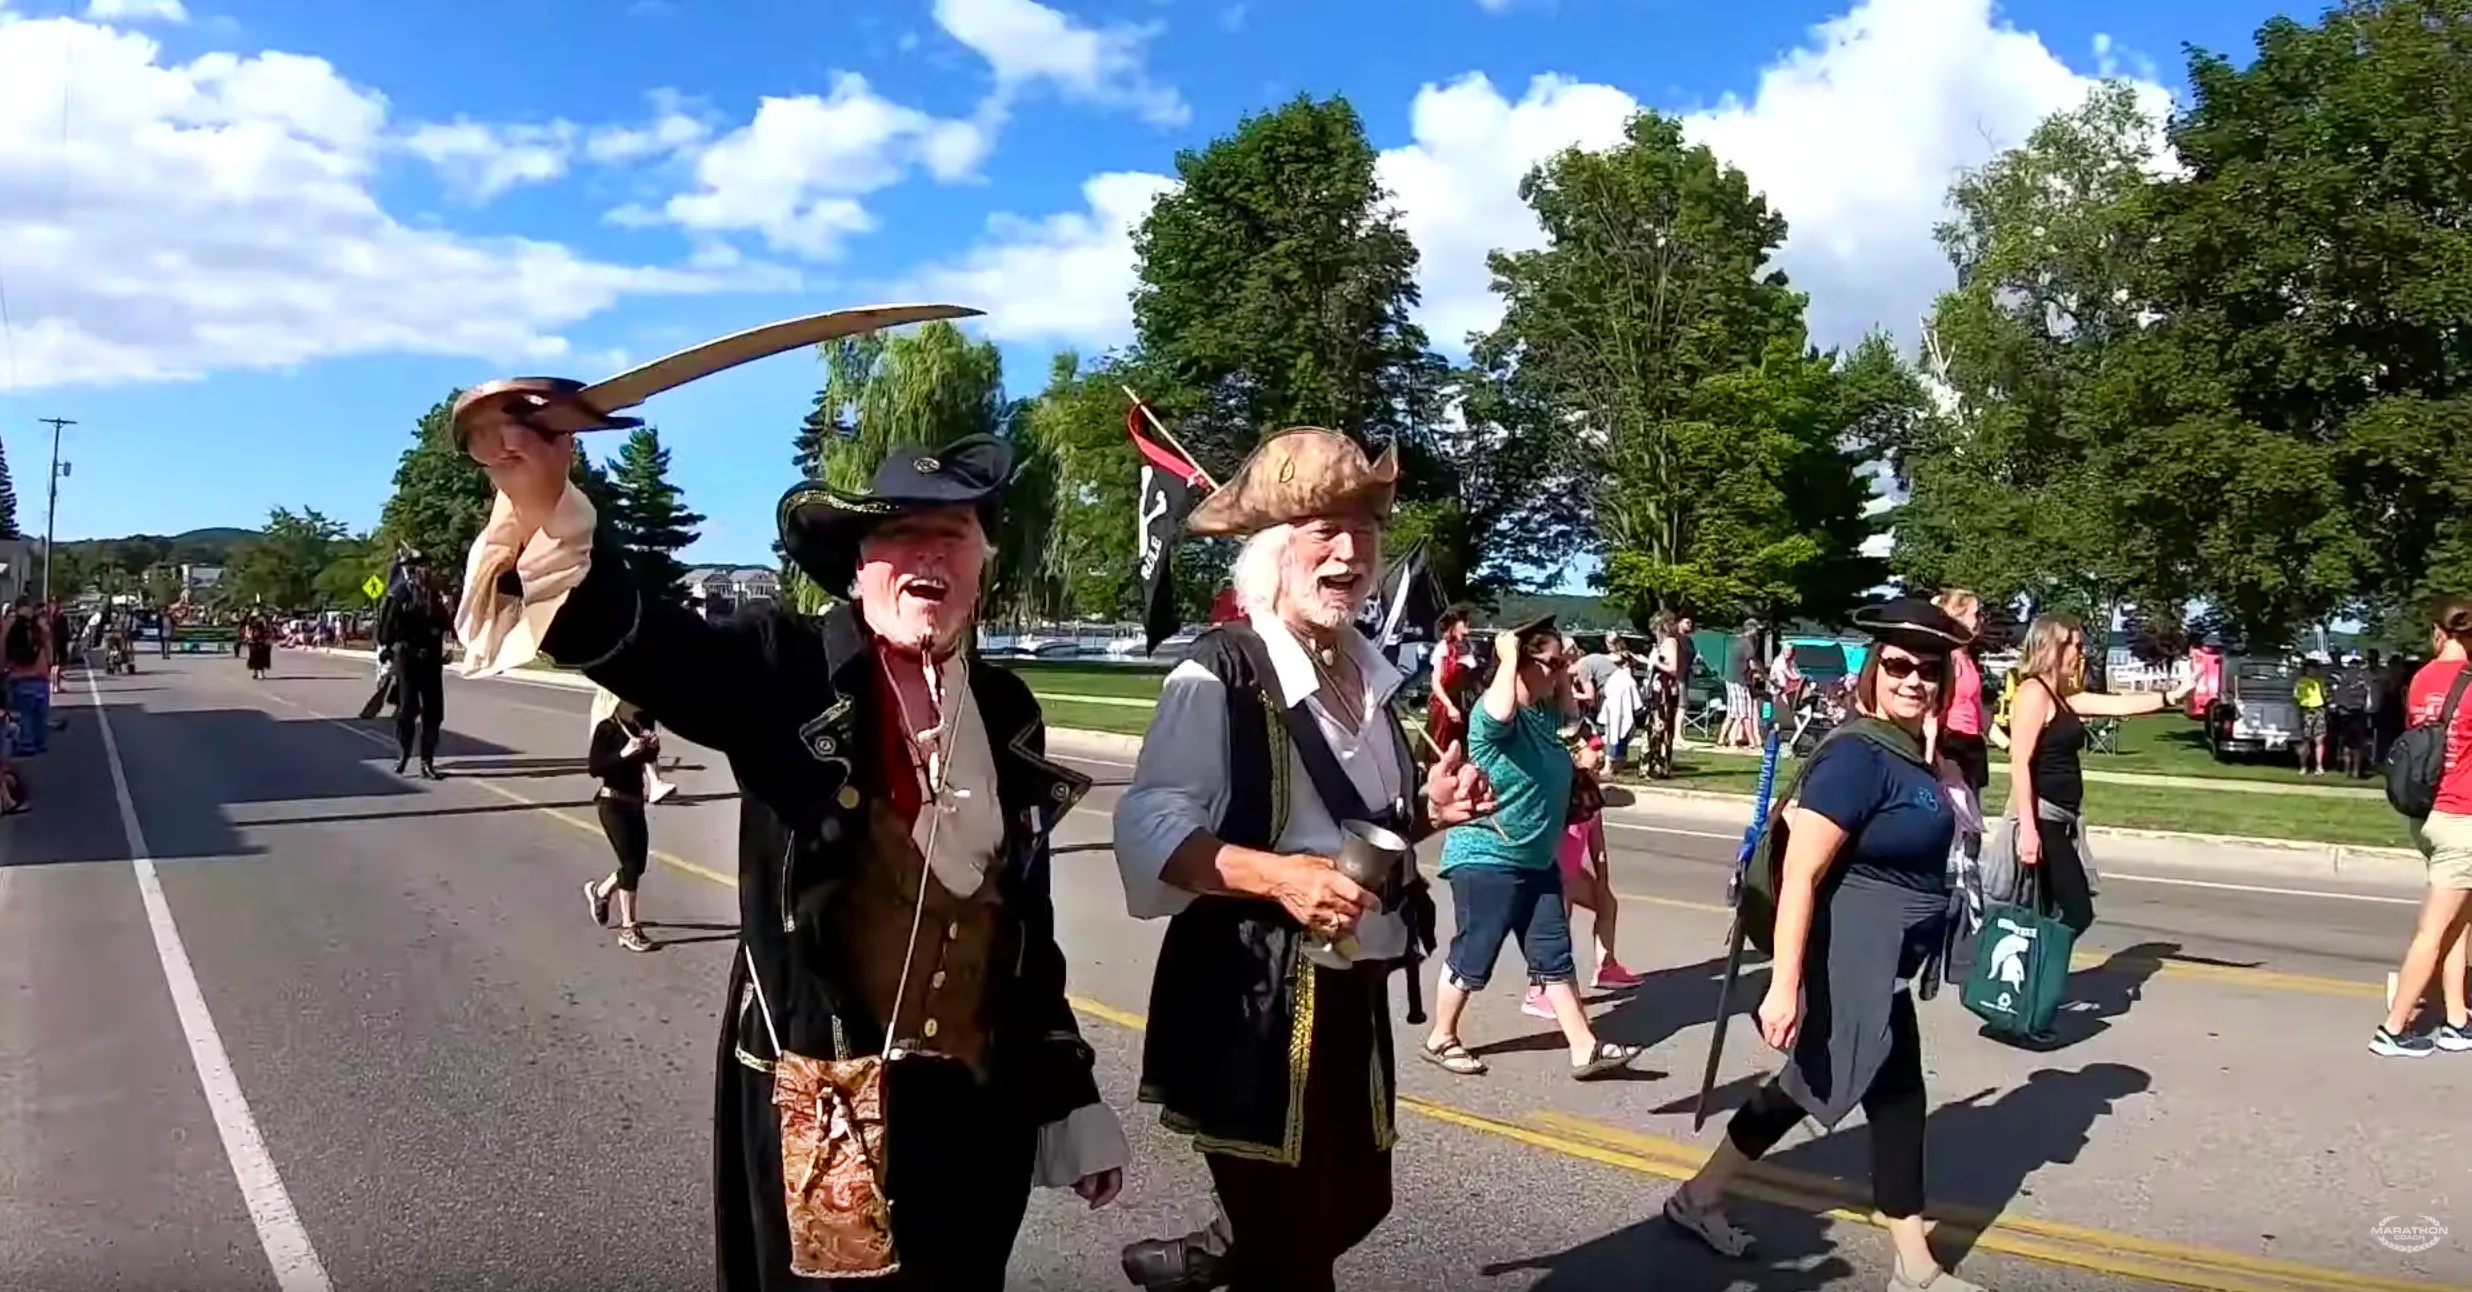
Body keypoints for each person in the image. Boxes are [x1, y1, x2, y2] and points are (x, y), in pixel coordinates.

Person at [455, 377, 1127, 1292]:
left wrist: (1066, 1088)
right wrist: (543, 496)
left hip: (978, 1107)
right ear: (858, 566)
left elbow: (1022, 923)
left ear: (984, 564)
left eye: (955, 534)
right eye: (900, 534)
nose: (929, 552)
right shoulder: (785, 666)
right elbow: (638, 639)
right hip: (827, 1097)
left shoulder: (1008, 712)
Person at [1112, 427, 1493, 1292]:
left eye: (1364, 532)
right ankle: (1242, 1252)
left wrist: (1427, 814)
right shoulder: (1220, 672)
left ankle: (1209, 1257)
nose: (1350, 554)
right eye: (1325, 533)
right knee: (1295, 1246)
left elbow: (1353, 832)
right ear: (1274, 554)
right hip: (1254, 993)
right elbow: (1148, 828)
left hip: (1353, 985)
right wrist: (1280, 878)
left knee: (1359, 1199)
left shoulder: (1369, 674)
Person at [1663, 599, 1988, 1292]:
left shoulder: (1907, 753)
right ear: (1873, 671)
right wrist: (1784, 985)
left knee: (1834, 1088)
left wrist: (1937, 758)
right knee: (1886, 1098)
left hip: (1880, 965)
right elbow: (1802, 874)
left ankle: (1701, 1195)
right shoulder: (1856, 757)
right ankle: (1915, 1268)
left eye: (1929, 670)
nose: (1914, 679)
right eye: (1898, 666)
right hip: (1847, 961)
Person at [1421, 615, 1643, 1081]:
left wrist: (1560, 669)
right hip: (1487, 855)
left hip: (1536, 860)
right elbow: (1500, 710)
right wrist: (1507, 655)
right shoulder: (1494, 716)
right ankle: (1441, 1036)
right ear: (1520, 662)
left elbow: (1572, 717)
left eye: (1564, 663)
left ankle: (1584, 1047)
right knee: (1476, 949)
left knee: (1552, 952)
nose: (1563, 671)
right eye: (1552, 663)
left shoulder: (1543, 718)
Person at [2004, 616, 2191, 936]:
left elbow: (2116, 706)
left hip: (2062, 818)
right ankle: (2039, 963)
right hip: (2044, 820)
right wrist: (2029, 831)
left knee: (2049, 911)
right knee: (2075, 912)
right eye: (2076, 647)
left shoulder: (2062, 695)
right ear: (2053, 648)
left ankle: (2043, 967)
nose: (2081, 654)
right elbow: (2019, 762)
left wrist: (2169, 697)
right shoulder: (2034, 692)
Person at [2370, 599, 2472, 1059]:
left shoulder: (2422, 679)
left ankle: (2457, 1020)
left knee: (2458, 923)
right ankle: (2393, 1029)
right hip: (2462, 818)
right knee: (2434, 929)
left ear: (2438, 632)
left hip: (2426, 815)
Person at [582, 688, 663, 953]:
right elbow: (595, 768)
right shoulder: (607, 728)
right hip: (612, 803)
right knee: (630, 864)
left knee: (638, 866)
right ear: (619, 701)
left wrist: (651, 747)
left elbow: (647, 759)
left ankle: (601, 892)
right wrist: (624, 754)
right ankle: (629, 928)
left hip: (635, 802)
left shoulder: (639, 726)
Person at [379, 557, 452, 778]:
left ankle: (427, 762)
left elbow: (447, 627)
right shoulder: (400, 594)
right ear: (411, 571)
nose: (425, 571)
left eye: (428, 567)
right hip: (407, 657)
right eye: (421, 567)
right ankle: (404, 753)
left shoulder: (437, 595)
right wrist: (387, 653)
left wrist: (449, 613)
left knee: (434, 711)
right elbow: (387, 627)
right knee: (407, 709)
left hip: (431, 658)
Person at [1933, 590, 1991, 792]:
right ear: (1957, 616)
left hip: (1972, 743)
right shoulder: (1949, 659)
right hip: (1952, 744)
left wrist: (2009, 744)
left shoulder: (1967, 657)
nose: (1981, 620)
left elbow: (1978, 708)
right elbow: (1935, 709)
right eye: (1976, 614)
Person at [1426, 604, 1476, 756]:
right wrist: (1449, 707)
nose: (1468, 624)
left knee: (1462, 749)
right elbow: (1436, 683)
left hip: (1462, 703)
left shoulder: (1469, 647)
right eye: (1464, 621)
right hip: (1443, 705)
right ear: (1454, 625)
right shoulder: (1443, 648)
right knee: (1442, 748)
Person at [5, 600, 51, 757]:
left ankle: (26, 743)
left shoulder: (10, 627)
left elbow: (3, 652)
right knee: (39, 713)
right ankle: (39, 741)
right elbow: (49, 651)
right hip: (39, 676)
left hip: (19, 677)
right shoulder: (39, 626)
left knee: (24, 714)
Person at [2295, 655, 2331, 777]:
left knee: (2319, 739)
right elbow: (2297, 697)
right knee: (2305, 740)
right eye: (2311, 669)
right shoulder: (2301, 682)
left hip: (2319, 709)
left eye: (2315, 669)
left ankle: (2319, 766)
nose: (2313, 671)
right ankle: (2303, 766)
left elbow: (2325, 696)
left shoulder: (2320, 681)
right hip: (2307, 710)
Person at [244, 614, 274, 680]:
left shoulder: (266, 625)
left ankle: (260, 673)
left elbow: (270, 634)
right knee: (254, 658)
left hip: (262, 643)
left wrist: (268, 640)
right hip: (254, 643)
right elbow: (247, 634)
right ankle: (256, 672)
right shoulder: (250, 626)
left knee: (262, 658)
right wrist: (249, 637)